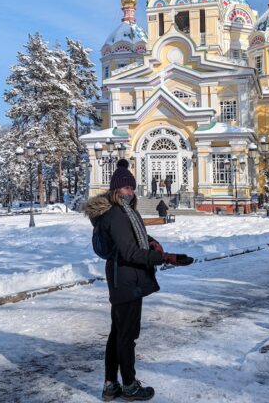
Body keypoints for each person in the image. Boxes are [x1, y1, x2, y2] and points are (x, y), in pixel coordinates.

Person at [83, 159, 192, 401]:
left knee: (117, 333)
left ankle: (111, 385)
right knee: (126, 336)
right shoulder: (118, 214)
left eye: (132, 187)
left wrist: (150, 239)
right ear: (115, 190)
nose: (130, 192)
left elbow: (130, 240)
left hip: (124, 277)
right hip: (125, 279)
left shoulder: (124, 213)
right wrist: (166, 257)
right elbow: (130, 252)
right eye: (125, 188)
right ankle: (130, 385)